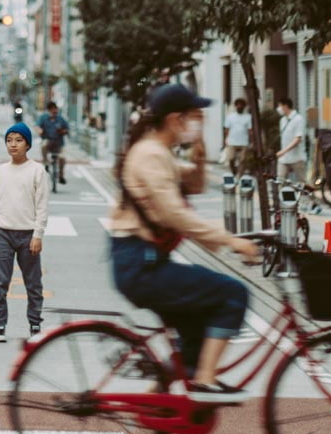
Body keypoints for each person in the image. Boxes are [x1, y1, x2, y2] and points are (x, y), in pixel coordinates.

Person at [109, 82, 260, 404]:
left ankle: (158, 400)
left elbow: (192, 182)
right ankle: (205, 380)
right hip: (140, 262)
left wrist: (200, 154)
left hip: (145, 261)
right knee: (233, 293)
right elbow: (175, 214)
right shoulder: (150, 154)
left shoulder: (157, 152)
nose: (198, 122)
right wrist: (231, 241)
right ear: (176, 120)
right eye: (194, 117)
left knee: (194, 332)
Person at [0, 121, 49, 342]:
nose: (13, 145)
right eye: (9, 140)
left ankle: (34, 324)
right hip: (3, 231)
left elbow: (42, 206)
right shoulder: (0, 172)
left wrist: (38, 234)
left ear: (28, 144)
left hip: (27, 234)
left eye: (18, 140)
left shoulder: (37, 171)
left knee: (33, 283)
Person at [276, 96, 306, 185]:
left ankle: (305, 198)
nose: (278, 109)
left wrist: (283, 151)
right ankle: (283, 199)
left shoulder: (298, 119)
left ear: (285, 106)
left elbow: (297, 139)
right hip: (283, 159)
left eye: (280, 106)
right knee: (280, 180)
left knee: (302, 183)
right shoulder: (282, 120)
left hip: (297, 157)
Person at [38, 101, 69, 184]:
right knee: (43, 145)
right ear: (49, 110)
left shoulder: (60, 119)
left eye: (55, 109)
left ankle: (61, 176)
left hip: (59, 143)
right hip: (48, 140)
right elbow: (37, 126)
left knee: (62, 157)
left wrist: (62, 131)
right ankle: (45, 163)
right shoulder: (43, 118)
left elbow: (67, 129)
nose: (54, 111)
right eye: (52, 110)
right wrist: (40, 131)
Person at [223, 98, 252, 176]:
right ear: (235, 106)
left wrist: (251, 141)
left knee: (243, 160)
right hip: (232, 141)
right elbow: (226, 129)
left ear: (244, 106)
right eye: (238, 105)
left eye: (241, 105)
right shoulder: (230, 117)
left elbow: (250, 130)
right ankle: (234, 172)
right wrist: (225, 140)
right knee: (230, 158)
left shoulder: (248, 117)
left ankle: (240, 175)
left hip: (244, 142)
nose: (240, 106)